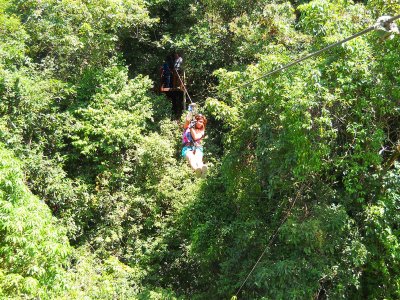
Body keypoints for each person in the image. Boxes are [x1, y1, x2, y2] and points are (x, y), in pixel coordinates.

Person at [182, 112, 208, 178]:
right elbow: (187, 120)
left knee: (198, 158)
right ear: (196, 121)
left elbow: (195, 137)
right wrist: (190, 111)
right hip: (187, 147)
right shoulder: (187, 127)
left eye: (202, 122)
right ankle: (197, 170)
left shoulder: (201, 131)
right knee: (191, 158)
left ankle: (202, 170)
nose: (201, 123)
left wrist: (191, 128)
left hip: (197, 147)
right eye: (199, 121)